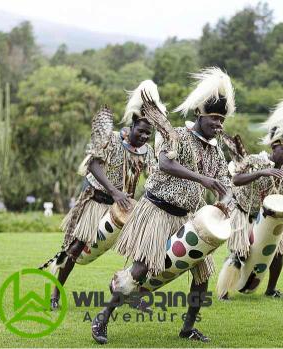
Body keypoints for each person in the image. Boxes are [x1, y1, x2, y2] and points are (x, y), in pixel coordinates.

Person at [91, 67, 236, 344]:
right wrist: (202, 179)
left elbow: (224, 183)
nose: (218, 124)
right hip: (157, 211)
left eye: (222, 119)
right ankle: (103, 317)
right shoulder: (178, 136)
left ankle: (188, 327)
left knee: (201, 275)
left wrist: (224, 202)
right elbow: (165, 163)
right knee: (141, 270)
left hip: (189, 217)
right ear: (199, 114)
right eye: (214, 118)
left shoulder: (216, 150)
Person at [39, 80, 164, 310]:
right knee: (76, 247)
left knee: (143, 248)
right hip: (96, 200)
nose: (145, 136)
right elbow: (92, 165)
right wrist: (115, 191)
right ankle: (56, 292)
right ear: (133, 124)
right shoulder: (113, 139)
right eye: (141, 131)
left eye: (149, 133)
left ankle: (129, 290)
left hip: (124, 207)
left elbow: (153, 177)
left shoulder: (147, 152)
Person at [218, 97, 283, 300]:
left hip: (268, 218)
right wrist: (262, 173)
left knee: (278, 252)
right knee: (240, 253)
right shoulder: (255, 161)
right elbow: (236, 179)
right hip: (243, 212)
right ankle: (225, 291)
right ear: (274, 147)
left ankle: (271, 289)